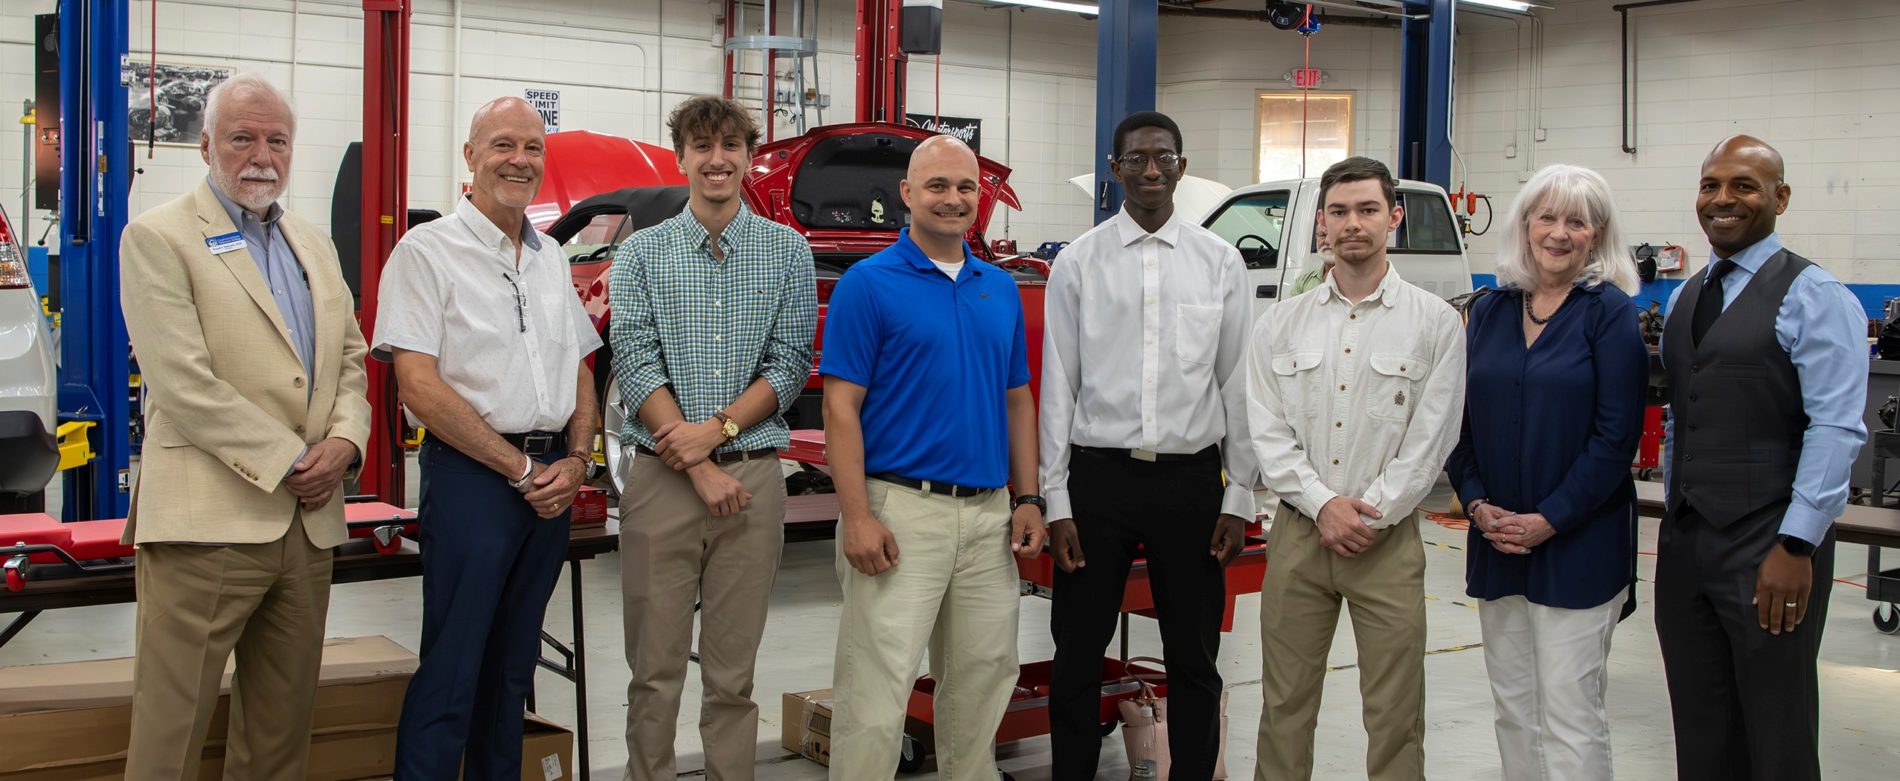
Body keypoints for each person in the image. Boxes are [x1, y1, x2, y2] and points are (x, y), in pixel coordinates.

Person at [118, 72, 370, 779]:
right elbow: (184, 383)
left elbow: (350, 357)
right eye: (242, 137)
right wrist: (294, 458)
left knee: (278, 736)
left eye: (277, 139)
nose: (262, 154)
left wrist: (346, 441)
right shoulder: (158, 238)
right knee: (170, 735)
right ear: (205, 144)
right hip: (206, 524)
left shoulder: (313, 245)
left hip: (308, 525)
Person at [373, 96, 602, 779]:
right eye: (503, 144)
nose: (520, 160)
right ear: (470, 156)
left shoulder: (552, 259)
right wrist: (520, 470)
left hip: (551, 483)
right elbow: (417, 383)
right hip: (476, 480)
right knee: (453, 667)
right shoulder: (426, 252)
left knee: (512, 671)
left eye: (533, 148)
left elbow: (580, 368)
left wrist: (579, 460)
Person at [820, 135, 1047, 780]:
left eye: (967, 188)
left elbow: (1018, 403)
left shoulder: (998, 289)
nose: (953, 200)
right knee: (876, 690)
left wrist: (1026, 497)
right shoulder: (868, 285)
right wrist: (858, 516)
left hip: (986, 518)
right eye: (939, 187)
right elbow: (841, 410)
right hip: (899, 513)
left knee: (982, 681)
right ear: (907, 195)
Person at [1039, 110, 1257, 781]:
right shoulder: (1078, 264)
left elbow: (1238, 381)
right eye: (1136, 159)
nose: (1152, 170)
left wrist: (1241, 493)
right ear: (1115, 171)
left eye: (1164, 157)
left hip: (1192, 483)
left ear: (1182, 167)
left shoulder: (1220, 263)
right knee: (1077, 653)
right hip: (1098, 481)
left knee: (1193, 657)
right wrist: (1056, 500)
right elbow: (1059, 385)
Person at [609, 95, 817, 780]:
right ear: (682, 158)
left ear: (748, 155)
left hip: (752, 479)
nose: (717, 159)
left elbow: (788, 366)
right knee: (654, 671)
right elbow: (636, 363)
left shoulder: (788, 251)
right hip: (663, 480)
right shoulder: (641, 252)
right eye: (702, 146)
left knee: (733, 675)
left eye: (730, 145)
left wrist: (720, 431)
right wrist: (697, 461)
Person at [1245, 156, 1465, 781]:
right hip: (1298, 536)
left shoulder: (1437, 324)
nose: (1353, 224)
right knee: (1285, 705)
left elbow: (1433, 438)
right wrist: (1322, 505)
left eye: (1367, 209)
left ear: (1393, 217)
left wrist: (1369, 513)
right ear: (1321, 224)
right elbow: (1268, 432)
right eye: (1338, 211)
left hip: (1386, 540)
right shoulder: (1281, 323)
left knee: (1395, 714)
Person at [1655, 135, 1867, 781]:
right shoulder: (1686, 294)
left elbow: (1836, 427)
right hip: (1687, 542)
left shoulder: (1815, 294)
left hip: (1769, 543)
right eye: (1710, 184)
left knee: (1776, 730)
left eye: (1744, 185)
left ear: (1780, 196)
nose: (1723, 199)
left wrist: (1797, 546)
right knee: (1701, 723)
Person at [1443, 163, 1648, 779]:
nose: (1559, 233)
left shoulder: (1609, 314)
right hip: (1497, 538)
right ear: (1525, 224)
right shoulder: (1491, 312)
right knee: (1513, 709)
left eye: (1577, 222)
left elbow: (1617, 440)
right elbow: (1457, 422)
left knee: (1570, 713)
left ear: (1597, 234)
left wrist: (1550, 519)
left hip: (1581, 544)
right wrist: (1477, 505)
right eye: (1547, 217)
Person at [1286, 214, 1336, 297]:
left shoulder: (1358, 282)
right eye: (1322, 235)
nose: (1327, 241)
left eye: (1333, 235)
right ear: (1316, 237)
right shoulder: (1303, 282)